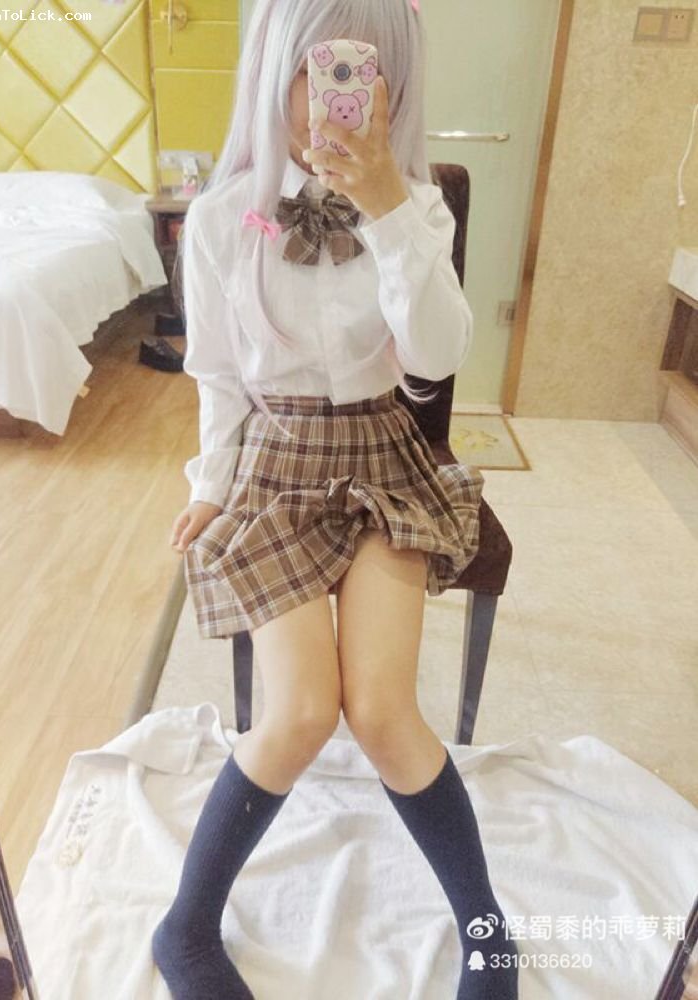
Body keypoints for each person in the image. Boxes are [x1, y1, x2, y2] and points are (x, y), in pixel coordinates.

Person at [152, 0, 519, 997]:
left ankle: (488, 932)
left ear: (393, 84)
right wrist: (211, 485)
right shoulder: (225, 217)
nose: (336, 95)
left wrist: (390, 208)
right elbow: (218, 375)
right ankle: (185, 929)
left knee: (385, 710)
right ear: (274, 68)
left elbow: (434, 361)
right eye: (315, 68)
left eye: (362, 69)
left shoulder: (420, 205)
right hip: (273, 463)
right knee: (304, 710)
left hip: (381, 457)